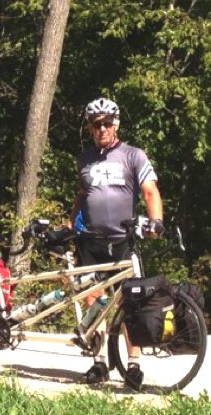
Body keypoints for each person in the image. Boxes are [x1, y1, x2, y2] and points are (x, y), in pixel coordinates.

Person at [67, 97, 164, 387]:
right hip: (90, 241)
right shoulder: (84, 159)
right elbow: (82, 194)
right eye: (96, 124)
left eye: (107, 123)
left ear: (116, 123)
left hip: (123, 239)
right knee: (93, 301)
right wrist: (69, 224)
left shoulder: (133, 155)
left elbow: (150, 191)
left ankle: (132, 365)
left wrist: (155, 221)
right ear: (89, 128)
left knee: (129, 303)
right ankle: (99, 364)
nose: (102, 128)